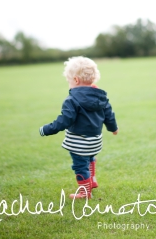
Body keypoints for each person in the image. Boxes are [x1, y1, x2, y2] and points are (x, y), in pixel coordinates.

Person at [39, 56, 118, 199]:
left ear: (75, 80)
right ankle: (92, 180)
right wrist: (113, 128)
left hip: (79, 143)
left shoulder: (71, 100)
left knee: (80, 166)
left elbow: (65, 120)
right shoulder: (101, 97)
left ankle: (85, 192)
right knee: (90, 158)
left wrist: (46, 129)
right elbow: (109, 115)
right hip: (95, 141)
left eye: (68, 81)